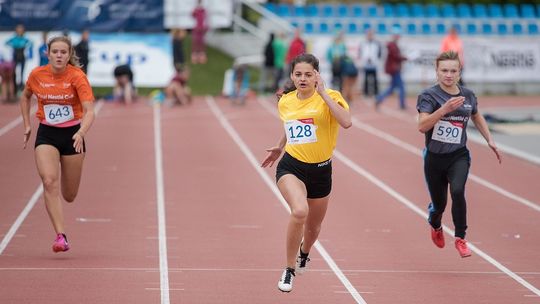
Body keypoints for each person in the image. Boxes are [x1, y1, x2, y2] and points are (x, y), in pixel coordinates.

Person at [260, 53, 351, 293]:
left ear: (317, 76)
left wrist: (322, 93)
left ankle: (304, 253)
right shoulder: (286, 101)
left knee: (313, 228)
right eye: (298, 74)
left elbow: (346, 122)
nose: (303, 78)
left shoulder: (331, 97)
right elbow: (292, 125)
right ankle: (289, 269)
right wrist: (280, 146)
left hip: (321, 170)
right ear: (292, 76)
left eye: (308, 75)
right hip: (292, 166)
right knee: (300, 211)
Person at [417, 50, 502, 258]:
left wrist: (489, 139)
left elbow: (476, 115)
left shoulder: (468, 95)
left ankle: (461, 238)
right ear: (437, 72)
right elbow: (422, 126)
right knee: (439, 205)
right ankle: (435, 223)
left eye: (453, 70)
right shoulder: (429, 95)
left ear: (459, 72)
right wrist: (443, 110)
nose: (448, 74)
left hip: (458, 155)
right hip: (434, 158)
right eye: (444, 70)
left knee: (457, 191)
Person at [20, 35, 95, 253]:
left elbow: (90, 111)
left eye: (63, 52)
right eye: (55, 52)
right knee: (49, 181)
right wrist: (27, 124)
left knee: (69, 195)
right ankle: (61, 236)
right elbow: (25, 97)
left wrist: (81, 131)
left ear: (69, 54)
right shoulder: (37, 75)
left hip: (73, 135)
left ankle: (62, 226)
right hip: (47, 134)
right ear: (48, 53)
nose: (59, 56)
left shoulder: (77, 77)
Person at [375, 26, 407, 110]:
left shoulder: (392, 44)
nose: (398, 37)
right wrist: (405, 58)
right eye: (397, 35)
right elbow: (396, 56)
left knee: (392, 88)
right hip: (394, 69)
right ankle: (402, 104)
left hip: (394, 69)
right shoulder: (392, 45)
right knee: (401, 87)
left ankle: (379, 99)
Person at [5, 24, 33, 93]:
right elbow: (6, 42)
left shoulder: (24, 39)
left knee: (22, 73)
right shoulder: (14, 38)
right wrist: (14, 45)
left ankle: (21, 88)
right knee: (14, 73)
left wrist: (25, 46)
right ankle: (14, 89)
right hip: (15, 57)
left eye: (21, 30)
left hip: (22, 57)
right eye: (18, 29)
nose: (20, 31)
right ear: (16, 31)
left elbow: (31, 43)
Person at [359, 28, 382, 97]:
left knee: (375, 79)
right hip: (366, 63)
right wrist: (365, 59)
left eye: (371, 34)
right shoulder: (363, 43)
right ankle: (366, 93)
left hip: (374, 63)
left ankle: (375, 92)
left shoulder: (376, 43)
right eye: (368, 34)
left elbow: (379, 53)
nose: (370, 36)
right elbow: (361, 53)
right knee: (365, 79)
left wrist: (374, 59)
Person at [191, 0, 208, 64]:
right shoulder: (196, 10)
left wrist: (206, 27)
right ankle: (195, 56)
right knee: (195, 42)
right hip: (197, 28)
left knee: (201, 43)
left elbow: (205, 19)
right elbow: (192, 15)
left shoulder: (203, 10)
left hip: (202, 28)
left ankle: (201, 57)